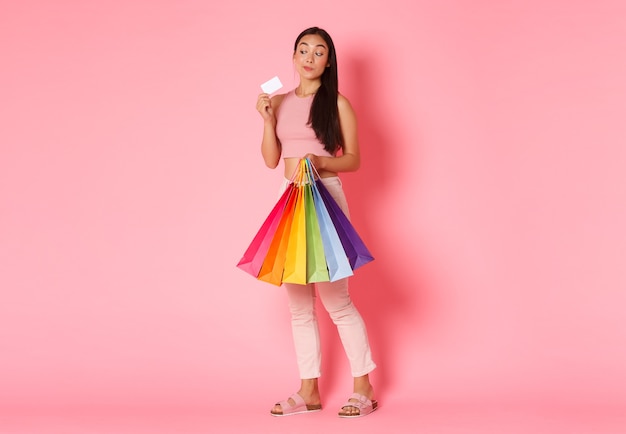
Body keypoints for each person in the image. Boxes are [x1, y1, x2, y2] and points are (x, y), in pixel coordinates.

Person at [255, 27, 378, 418]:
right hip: (289, 199)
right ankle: (309, 391)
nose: (309, 57)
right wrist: (265, 119)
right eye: (303, 50)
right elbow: (272, 160)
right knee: (298, 306)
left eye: (319, 51)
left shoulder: (338, 104)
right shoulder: (278, 101)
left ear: (329, 61)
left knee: (337, 301)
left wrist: (320, 161)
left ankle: (364, 387)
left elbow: (354, 159)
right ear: (293, 57)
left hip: (325, 199)